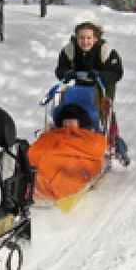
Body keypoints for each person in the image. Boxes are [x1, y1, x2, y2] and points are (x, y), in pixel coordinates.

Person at [54, 19, 128, 163]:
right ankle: (74, 135)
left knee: (104, 106)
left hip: (105, 82)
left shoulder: (106, 51)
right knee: (73, 104)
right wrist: (66, 73)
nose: (85, 42)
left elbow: (116, 73)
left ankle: (112, 138)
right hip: (80, 80)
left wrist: (101, 75)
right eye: (82, 38)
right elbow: (60, 69)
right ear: (77, 38)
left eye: (89, 38)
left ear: (96, 38)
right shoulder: (69, 50)